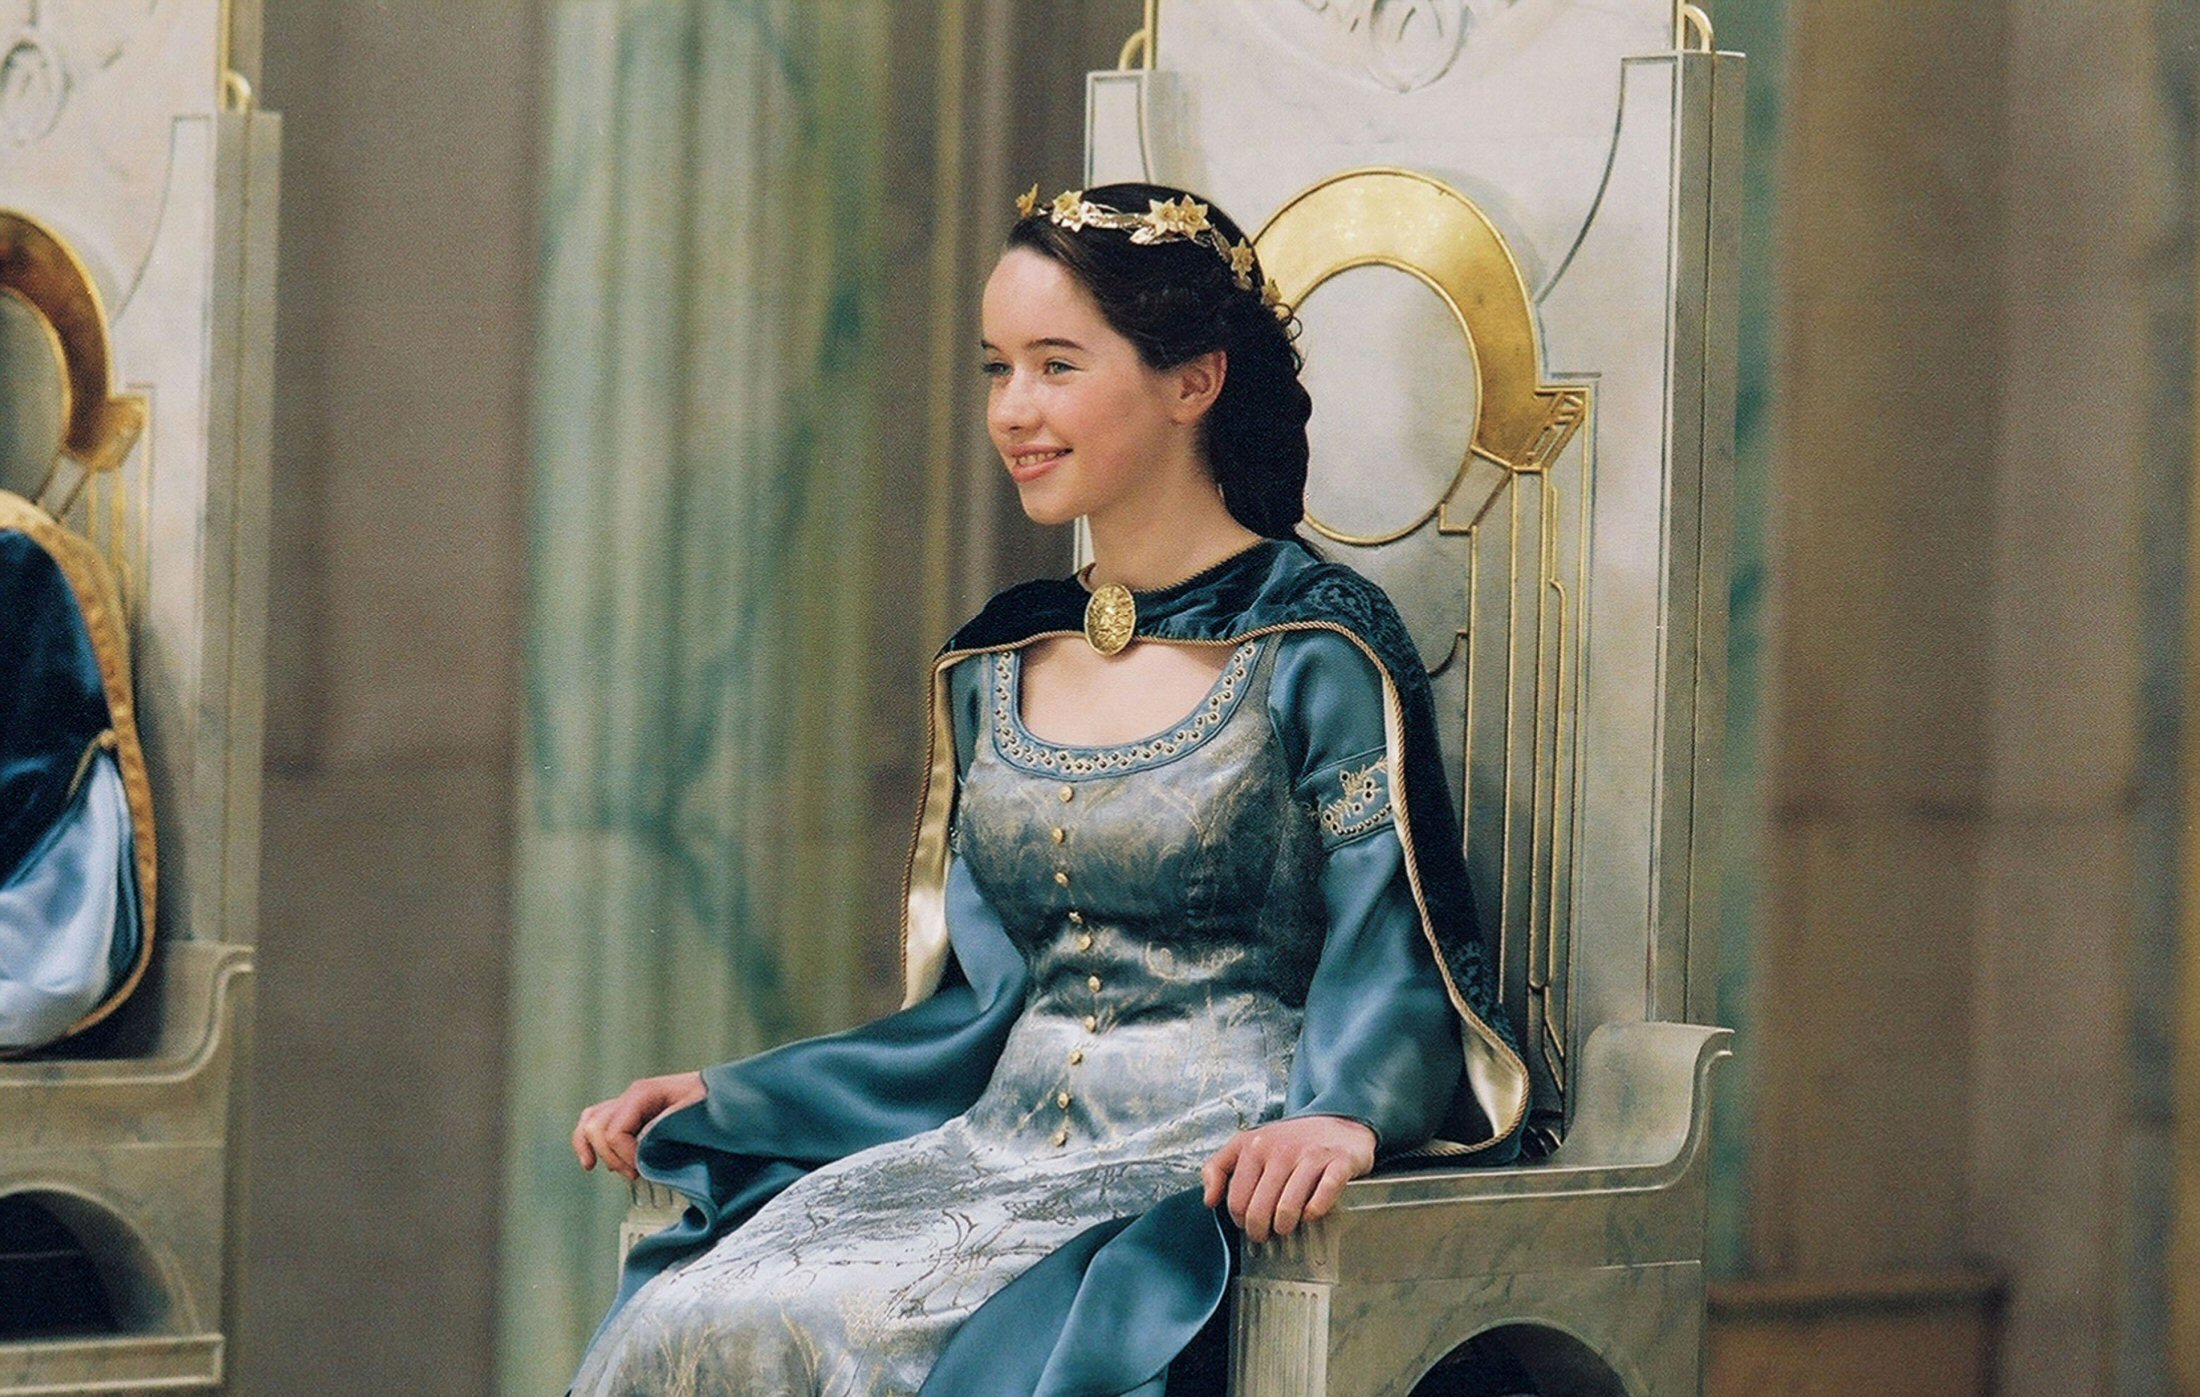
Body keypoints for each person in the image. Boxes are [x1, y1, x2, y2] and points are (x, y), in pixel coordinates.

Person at [567, 182, 1527, 1397]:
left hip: (1202, 1164)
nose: (1012, 409)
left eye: (1056, 365)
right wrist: (736, 1094)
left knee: (885, 1337)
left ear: (1194, 381)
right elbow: (980, 1007)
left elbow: (1393, 940)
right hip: (990, 1150)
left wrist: (1344, 1109)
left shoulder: (1315, 647)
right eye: (997, 368)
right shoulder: (995, 661)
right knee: (699, 1312)